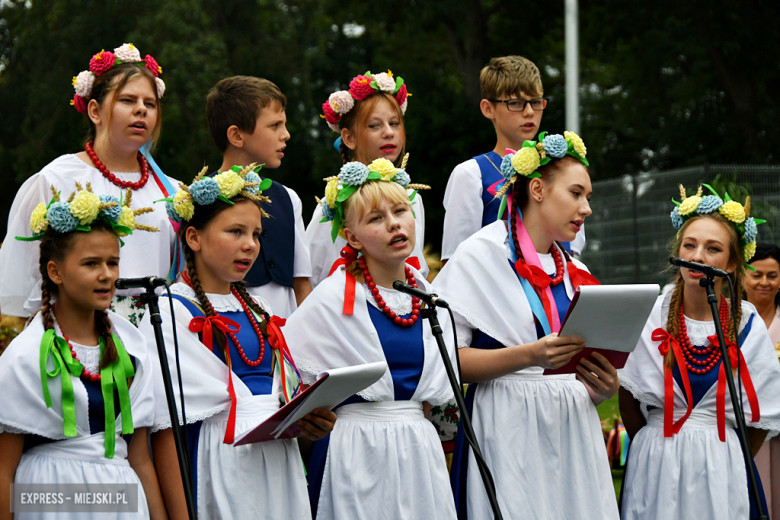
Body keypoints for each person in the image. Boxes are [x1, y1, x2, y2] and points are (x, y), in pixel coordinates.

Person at [433, 132, 620, 519]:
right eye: (575, 194)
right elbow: (447, 360)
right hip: (506, 422)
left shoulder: (577, 272)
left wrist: (603, 387)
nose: (586, 209)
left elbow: (587, 364)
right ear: (537, 189)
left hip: (572, 428)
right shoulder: (480, 255)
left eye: (588, 198)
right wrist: (529, 355)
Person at [139, 166, 336, 519]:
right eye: (235, 231)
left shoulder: (260, 309)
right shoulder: (170, 313)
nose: (250, 245)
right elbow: (164, 430)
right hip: (219, 464)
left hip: (278, 465)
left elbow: (280, 396)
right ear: (194, 238)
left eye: (257, 234)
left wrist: (307, 423)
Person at [284, 159, 457, 519]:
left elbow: (431, 394)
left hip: (418, 448)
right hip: (355, 450)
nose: (394, 223)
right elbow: (287, 370)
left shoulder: (430, 299)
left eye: (400, 211)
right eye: (376, 218)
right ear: (352, 237)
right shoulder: (333, 297)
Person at [0, 184, 166, 519]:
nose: (106, 275)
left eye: (112, 262)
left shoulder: (132, 348)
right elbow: (4, 470)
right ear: (55, 271)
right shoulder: (25, 356)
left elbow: (140, 459)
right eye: (91, 263)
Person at [619, 186, 780, 520]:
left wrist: (723, 452)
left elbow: (760, 418)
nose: (698, 256)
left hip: (721, 464)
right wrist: (657, 445)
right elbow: (627, 396)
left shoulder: (746, 323)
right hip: (656, 461)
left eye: (713, 248)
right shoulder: (652, 313)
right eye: (689, 245)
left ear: (733, 263)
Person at [0, 43, 180, 327]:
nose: (141, 111)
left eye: (150, 104)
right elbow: (27, 278)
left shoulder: (172, 191)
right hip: (83, 331)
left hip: (160, 332)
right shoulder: (59, 178)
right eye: (127, 100)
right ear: (95, 111)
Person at [440, 55, 585, 265]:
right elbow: (454, 265)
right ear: (488, 108)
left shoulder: (565, 173)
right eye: (515, 103)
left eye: (535, 102)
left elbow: (572, 258)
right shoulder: (472, 174)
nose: (529, 112)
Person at [306, 70, 429, 287]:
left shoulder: (410, 196)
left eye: (394, 123)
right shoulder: (336, 202)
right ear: (349, 138)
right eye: (375, 125)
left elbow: (417, 266)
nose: (388, 132)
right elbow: (311, 274)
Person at [205, 76, 312, 318]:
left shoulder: (288, 198)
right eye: (275, 126)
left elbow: (302, 284)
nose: (286, 135)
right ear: (237, 136)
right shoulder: (200, 200)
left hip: (287, 336)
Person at [744, 242, 780, 517]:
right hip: (743, 426)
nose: (764, 282)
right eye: (757, 275)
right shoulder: (729, 319)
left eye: (772, 275)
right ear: (743, 276)